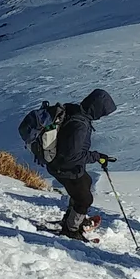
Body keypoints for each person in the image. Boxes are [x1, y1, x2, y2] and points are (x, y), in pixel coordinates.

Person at [44, 88, 118, 239]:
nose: (102, 116)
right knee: (84, 199)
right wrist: (96, 156)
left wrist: (96, 156)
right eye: (103, 112)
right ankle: (71, 230)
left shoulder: (75, 111)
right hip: (63, 166)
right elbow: (73, 156)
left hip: (60, 163)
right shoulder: (80, 125)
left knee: (86, 181)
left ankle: (73, 219)